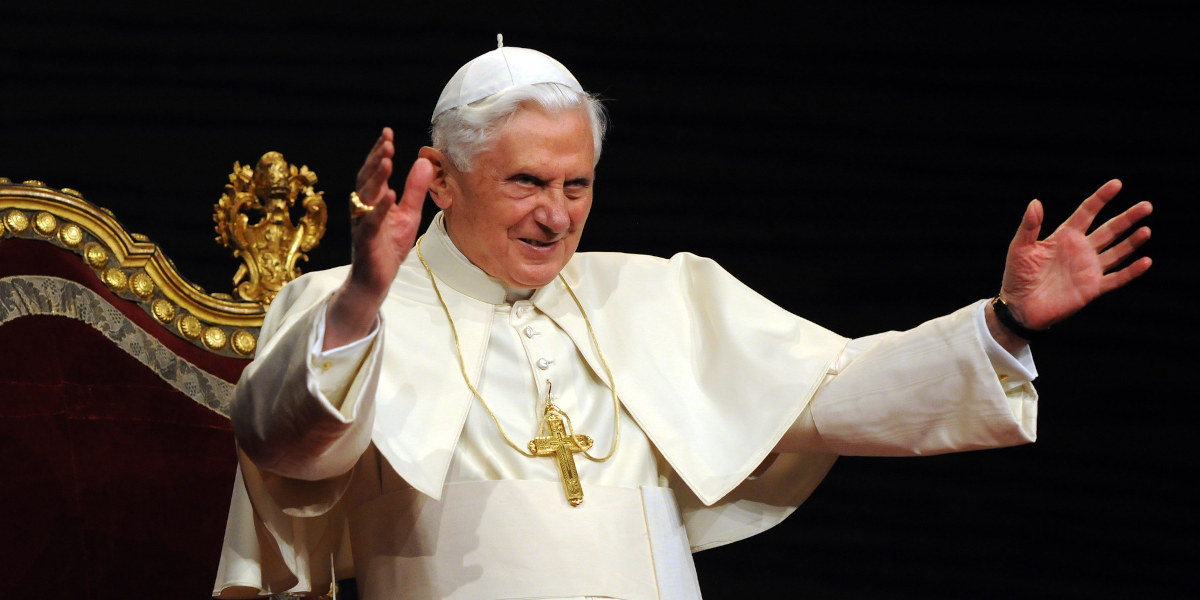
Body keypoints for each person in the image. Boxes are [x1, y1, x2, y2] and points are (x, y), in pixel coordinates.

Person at [214, 41, 1152, 600]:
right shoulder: (343, 304)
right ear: (444, 179)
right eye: (528, 182)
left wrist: (1004, 321)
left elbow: (836, 391)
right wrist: (366, 296)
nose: (557, 216)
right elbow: (286, 448)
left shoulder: (657, 294)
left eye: (577, 185)